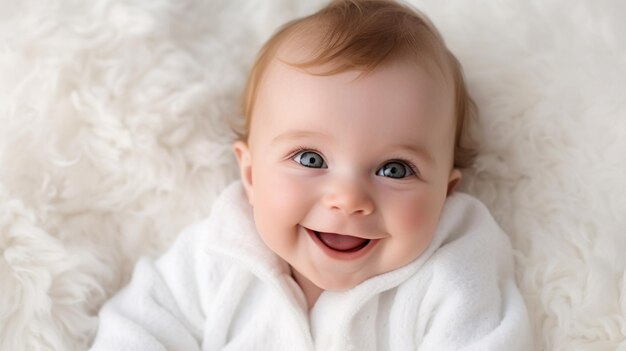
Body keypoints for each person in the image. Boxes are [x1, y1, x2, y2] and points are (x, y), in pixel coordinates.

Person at [91, 0, 532, 349]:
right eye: (310, 159)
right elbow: (139, 327)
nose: (347, 197)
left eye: (394, 169)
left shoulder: (451, 270)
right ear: (249, 173)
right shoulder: (217, 254)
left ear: (445, 193)